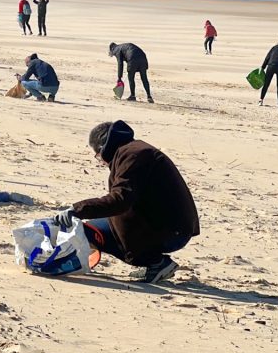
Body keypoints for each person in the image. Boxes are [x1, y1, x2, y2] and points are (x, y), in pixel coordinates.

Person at [52, 120, 199, 284]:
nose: (101, 161)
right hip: (172, 225)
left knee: (94, 232)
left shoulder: (132, 156)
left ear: (103, 149)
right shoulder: (132, 149)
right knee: (94, 227)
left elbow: (120, 200)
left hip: (171, 232)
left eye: (98, 156)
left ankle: (155, 262)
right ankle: (153, 262)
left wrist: (77, 209)